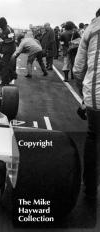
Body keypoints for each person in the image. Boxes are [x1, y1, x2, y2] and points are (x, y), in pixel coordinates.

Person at [73, 8, 100, 200]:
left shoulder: (92, 29)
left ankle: (90, 187)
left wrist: (84, 98)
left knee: (93, 138)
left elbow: (78, 69)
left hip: (96, 98)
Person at [0, 17, 17, 86]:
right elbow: (4, 36)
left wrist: (4, 41)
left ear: (3, 23)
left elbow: (12, 38)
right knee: (5, 64)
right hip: (6, 50)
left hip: (9, 50)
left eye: (0, 24)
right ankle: (11, 76)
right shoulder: (4, 29)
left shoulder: (9, 29)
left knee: (4, 65)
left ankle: (4, 81)